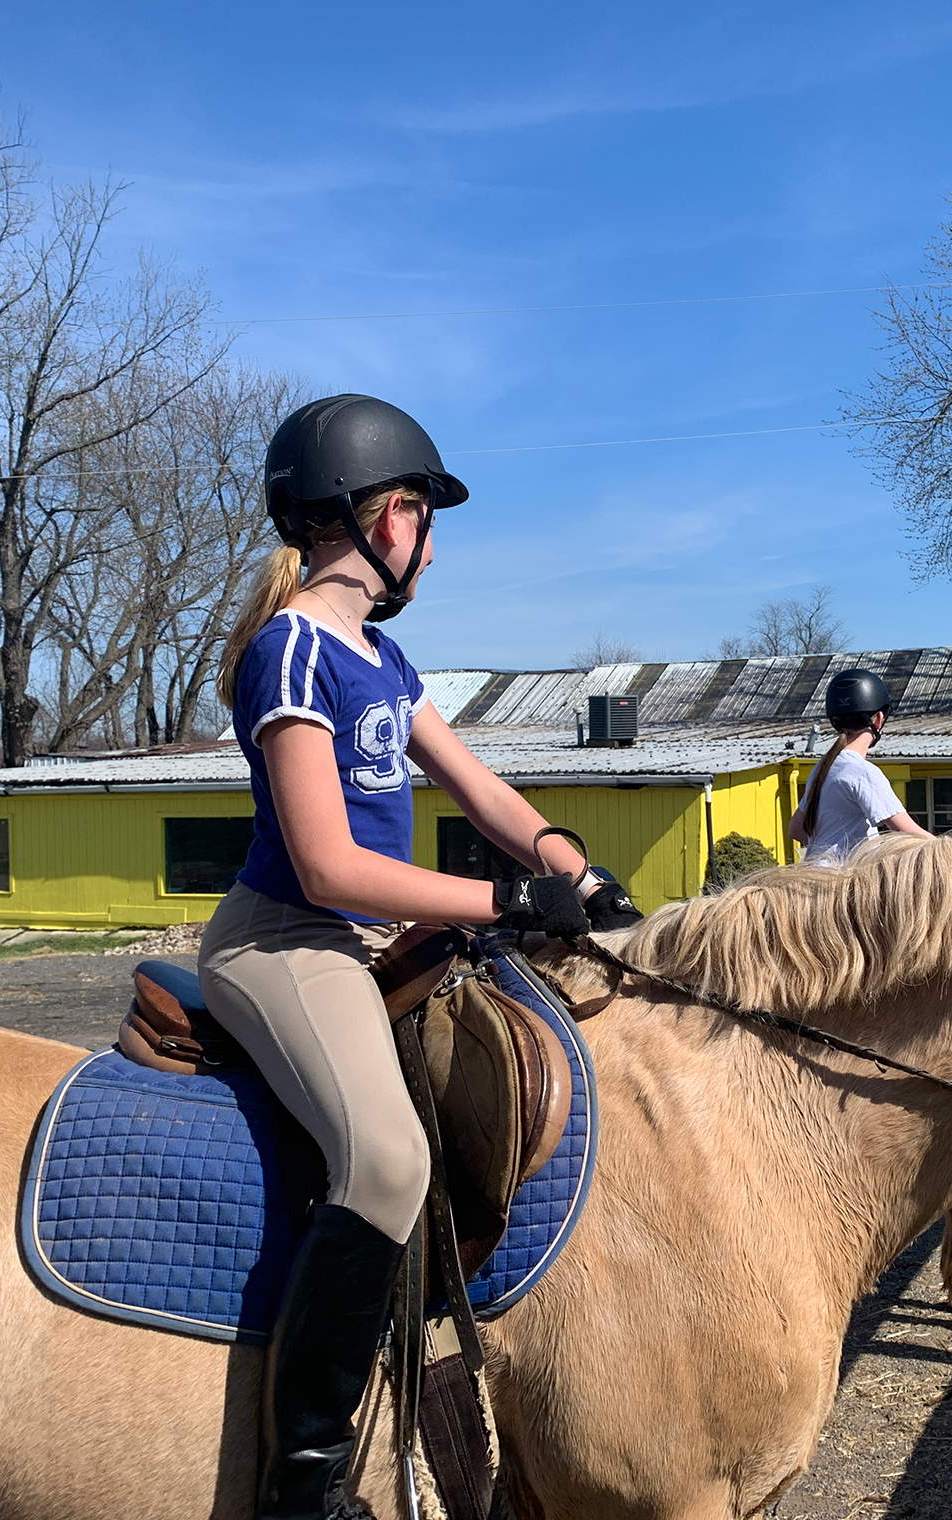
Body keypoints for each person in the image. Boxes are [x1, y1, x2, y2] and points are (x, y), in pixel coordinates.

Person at [201, 393, 642, 1520]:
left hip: (360, 942)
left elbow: (477, 784)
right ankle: (301, 1482)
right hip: (288, 939)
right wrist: (503, 898)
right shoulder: (291, 649)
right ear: (377, 515)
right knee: (388, 1158)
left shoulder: (384, 659)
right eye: (422, 514)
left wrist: (567, 864)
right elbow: (329, 867)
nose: (431, 544)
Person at [790, 668, 934, 863]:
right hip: (844, 884)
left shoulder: (823, 766)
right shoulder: (862, 772)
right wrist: (951, 850)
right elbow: (906, 831)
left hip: (815, 876)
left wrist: (832, 845)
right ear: (879, 719)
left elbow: (796, 829)